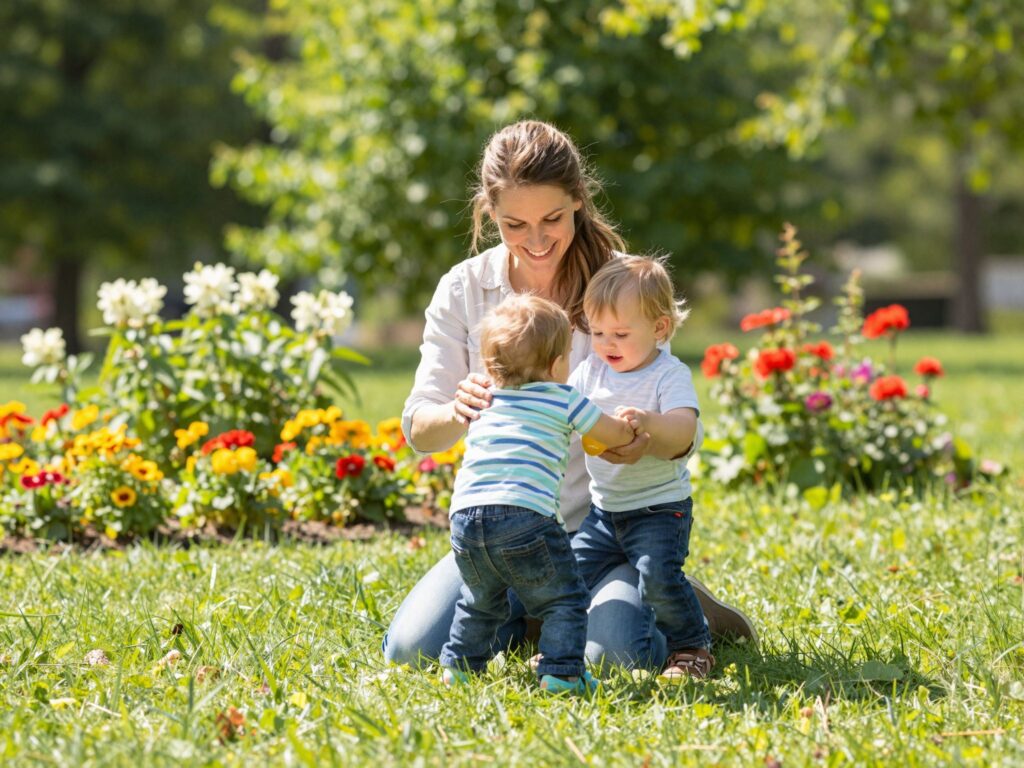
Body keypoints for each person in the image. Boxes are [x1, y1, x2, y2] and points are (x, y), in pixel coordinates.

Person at [386, 119, 756, 672]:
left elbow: (672, 407)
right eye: (515, 224)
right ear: (489, 213)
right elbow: (420, 428)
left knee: (612, 659)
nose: (537, 241)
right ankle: (539, 609)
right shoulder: (464, 289)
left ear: (578, 201)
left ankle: (657, 589)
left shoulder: (618, 289)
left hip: (602, 528)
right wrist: (455, 410)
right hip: (504, 530)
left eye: (552, 219)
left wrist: (644, 433)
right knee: (412, 651)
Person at [439, 294, 635, 692]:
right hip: (525, 517)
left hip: (464, 519)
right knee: (563, 599)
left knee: (480, 600)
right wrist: (629, 429)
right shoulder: (562, 398)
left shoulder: (485, 400)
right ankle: (562, 673)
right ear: (556, 364)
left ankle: (459, 668)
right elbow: (608, 433)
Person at [569, 254, 714, 680]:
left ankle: (692, 645)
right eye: (596, 332)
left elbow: (684, 428)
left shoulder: (667, 374)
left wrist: (649, 426)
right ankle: (565, 646)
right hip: (602, 512)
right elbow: (565, 411)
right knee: (571, 578)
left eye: (619, 333)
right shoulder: (589, 371)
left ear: (660, 329)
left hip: (658, 510)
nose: (606, 344)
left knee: (657, 576)